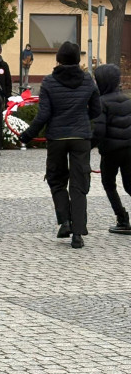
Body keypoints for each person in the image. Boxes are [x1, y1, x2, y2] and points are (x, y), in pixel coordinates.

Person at [19, 41, 100, 249]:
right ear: (77, 60)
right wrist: (82, 119)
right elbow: (96, 111)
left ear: (58, 59)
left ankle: (65, 222)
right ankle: (78, 234)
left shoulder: (49, 82)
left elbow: (43, 115)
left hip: (57, 137)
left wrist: (27, 135)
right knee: (79, 184)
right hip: (81, 137)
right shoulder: (88, 81)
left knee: (56, 180)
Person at [92, 63, 131, 235]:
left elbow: (99, 131)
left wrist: (87, 146)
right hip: (129, 150)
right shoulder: (128, 100)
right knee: (130, 186)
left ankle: (122, 219)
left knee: (109, 184)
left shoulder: (102, 102)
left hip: (111, 152)